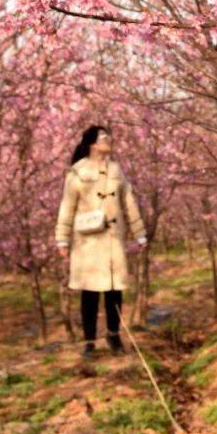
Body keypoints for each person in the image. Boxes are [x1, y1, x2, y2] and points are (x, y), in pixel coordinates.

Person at [55, 125, 146, 356]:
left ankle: (114, 335)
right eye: (104, 137)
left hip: (113, 238)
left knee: (115, 289)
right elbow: (67, 206)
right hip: (87, 241)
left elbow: (129, 201)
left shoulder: (116, 170)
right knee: (90, 291)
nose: (109, 140)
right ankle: (89, 341)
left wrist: (139, 231)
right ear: (92, 144)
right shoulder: (76, 172)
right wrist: (62, 239)